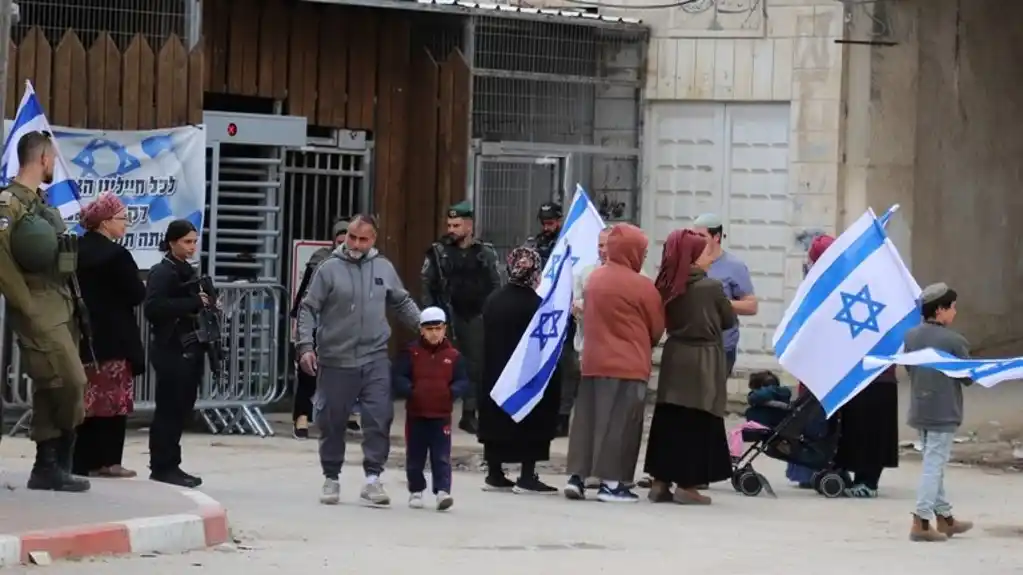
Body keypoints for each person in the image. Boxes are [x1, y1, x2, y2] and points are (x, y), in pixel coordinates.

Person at [297, 214, 420, 507]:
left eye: (362, 239)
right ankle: (331, 477)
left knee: (379, 417)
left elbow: (401, 301)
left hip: (375, 357)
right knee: (332, 421)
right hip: (335, 359)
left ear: (373, 240)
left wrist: (425, 328)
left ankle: (373, 479)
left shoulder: (383, 268)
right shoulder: (328, 269)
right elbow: (308, 308)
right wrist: (305, 346)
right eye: (352, 236)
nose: (354, 243)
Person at [0, 131, 90, 492]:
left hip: (62, 301)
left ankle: (48, 466)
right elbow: (3, 263)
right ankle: (60, 456)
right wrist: (28, 308)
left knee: (50, 384)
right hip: (38, 305)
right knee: (71, 381)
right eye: (52, 158)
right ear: (43, 159)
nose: (53, 164)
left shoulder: (42, 202)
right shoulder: (9, 204)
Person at [564, 223, 664, 503]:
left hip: (593, 361)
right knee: (620, 424)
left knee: (587, 421)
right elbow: (657, 328)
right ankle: (612, 484)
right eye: (642, 251)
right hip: (628, 364)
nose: (643, 257)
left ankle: (577, 478)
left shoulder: (594, 279)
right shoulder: (641, 285)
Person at [644, 228, 736, 506]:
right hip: (703, 358)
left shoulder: (667, 284)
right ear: (694, 257)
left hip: (675, 355)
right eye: (706, 252)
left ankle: (660, 482)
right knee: (697, 418)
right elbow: (728, 319)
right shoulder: (711, 287)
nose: (710, 257)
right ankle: (688, 484)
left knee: (670, 416)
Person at [71, 193, 146, 478]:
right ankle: (109, 460)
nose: (126, 224)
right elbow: (136, 293)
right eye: (122, 219)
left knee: (86, 399)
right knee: (114, 400)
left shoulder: (75, 250)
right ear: (105, 222)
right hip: (114, 336)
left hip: (81, 335)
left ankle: (81, 460)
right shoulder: (117, 255)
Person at [478, 246, 561, 494]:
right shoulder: (538, 305)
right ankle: (527, 475)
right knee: (531, 418)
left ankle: (495, 473)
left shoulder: (493, 300)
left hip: (494, 373)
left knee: (496, 418)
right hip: (525, 376)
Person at [421, 201, 500, 435]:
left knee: (475, 367)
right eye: (449, 224)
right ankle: (438, 413)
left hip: (475, 316)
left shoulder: (485, 253)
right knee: (442, 367)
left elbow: (496, 284)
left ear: (469, 225)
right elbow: (426, 285)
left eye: (456, 225)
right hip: (447, 316)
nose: (451, 229)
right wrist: (431, 318)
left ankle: (469, 413)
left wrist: (489, 313)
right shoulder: (438, 252)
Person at [904, 282, 974, 542]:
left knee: (933, 464)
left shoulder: (910, 336)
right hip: (944, 412)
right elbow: (967, 377)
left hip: (920, 409)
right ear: (941, 310)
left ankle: (945, 518)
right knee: (934, 466)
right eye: (953, 307)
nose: (955, 312)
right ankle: (921, 521)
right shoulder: (954, 341)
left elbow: (910, 370)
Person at [145, 219, 211, 488]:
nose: (191, 247)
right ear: (172, 243)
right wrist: (193, 302)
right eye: (186, 242)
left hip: (188, 348)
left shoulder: (186, 271)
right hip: (170, 348)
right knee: (169, 410)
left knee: (181, 408)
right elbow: (154, 307)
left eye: (194, 242)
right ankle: (163, 465)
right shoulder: (163, 272)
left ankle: (171, 463)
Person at [392, 306, 470, 511]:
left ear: (444, 329)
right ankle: (416, 491)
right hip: (416, 414)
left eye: (438, 328)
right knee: (415, 455)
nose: (434, 333)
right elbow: (399, 376)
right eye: (429, 329)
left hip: (441, 415)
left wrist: (451, 393)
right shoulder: (411, 353)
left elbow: (463, 381)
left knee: (441, 455)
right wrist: (410, 391)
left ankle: (443, 491)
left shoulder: (454, 356)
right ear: (421, 330)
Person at [290, 219, 360, 438]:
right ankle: (302, 416)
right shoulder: (320, 260)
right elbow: (304, 296)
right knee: (308, 371)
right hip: (318, 322)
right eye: (340, 240)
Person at [560, 225, 612, 438]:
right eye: (599, 245)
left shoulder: (633, 274)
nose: (602, 250)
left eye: (607, 245)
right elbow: (576, 303)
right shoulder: (587, 272)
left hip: (612, 347)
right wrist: (579, 307)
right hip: (587, 344)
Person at [692, 213, 757, 375]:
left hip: (722, 346)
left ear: (717, 237)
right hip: (694, 344)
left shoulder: (735, 266)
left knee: (713, 395)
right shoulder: (689, 262)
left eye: (702, 236)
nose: (696, 240)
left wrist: (719, 303)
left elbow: (751, 306)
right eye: (694, 236)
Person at [727, 371, 791, 459]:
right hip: (771, 425)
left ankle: (734, 455)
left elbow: (755, 397)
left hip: (763, 425)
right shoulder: (780, 395)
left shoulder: (767, 392)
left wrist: (752, 398)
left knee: (735, 432)